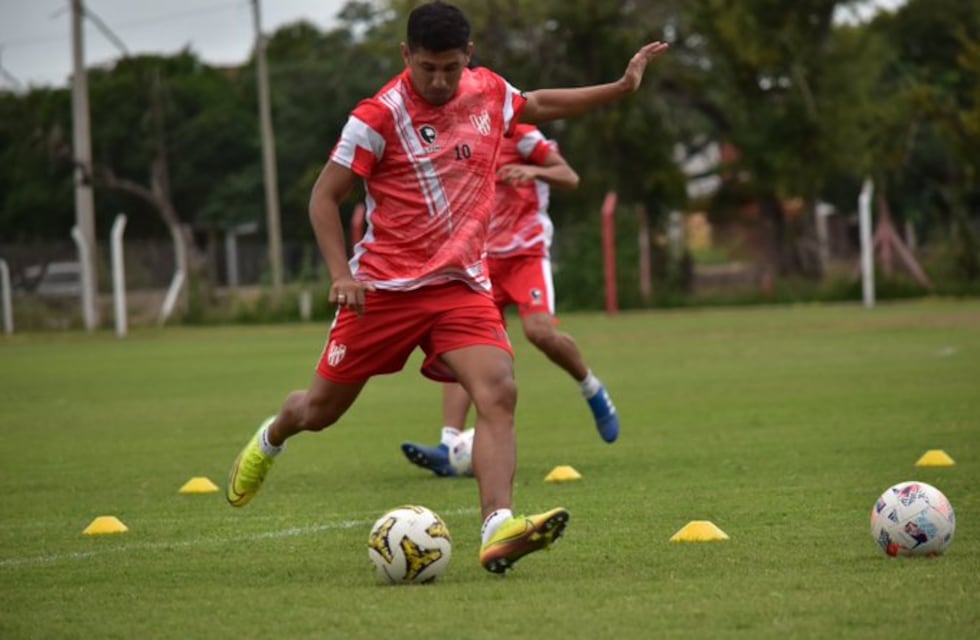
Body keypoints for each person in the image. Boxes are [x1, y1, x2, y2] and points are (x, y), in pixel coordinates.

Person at [225, 0, 669, 575]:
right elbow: (323, 196)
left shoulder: (487, 91)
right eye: (427, 67)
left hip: (459, 286)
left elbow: (537, 103)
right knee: (318, 411)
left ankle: (497, 527)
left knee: (500, 391)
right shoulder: (378, 116)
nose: (438, 80)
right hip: (382, 291)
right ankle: (271, 437)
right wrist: (342, 274)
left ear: (469, 57)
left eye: (450, 67)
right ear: (406, 54)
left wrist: (621, 87)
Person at [401, 124, 619, 478]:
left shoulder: (522, 134)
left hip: (526, 255)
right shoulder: (459, 135)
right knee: (462, 346)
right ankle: (447, 445)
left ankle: (591, 388)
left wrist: (533, 170)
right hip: (481, 259)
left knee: (540, 332)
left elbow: (569, 176)